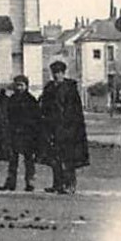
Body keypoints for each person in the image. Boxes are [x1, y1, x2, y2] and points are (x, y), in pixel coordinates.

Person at [39, 60, 89, 194]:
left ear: (63, 73)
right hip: (52, 127)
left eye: (59, 73)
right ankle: (57, 184)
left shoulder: (70, 89)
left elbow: (75, 110)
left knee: (69, 158)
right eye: (54, 73)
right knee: (54, 158)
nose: (56, 75)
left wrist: (71, 127)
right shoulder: (49, 88)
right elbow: (44, 107)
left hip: (68, 128)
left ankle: (70, 184)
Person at [1, 74, 41, 192]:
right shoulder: (11, 99)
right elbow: (6, 114)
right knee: (12, 159)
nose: (19, 88)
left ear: (26, 86)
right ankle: (11, 182)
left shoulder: (31, 100)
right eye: (17, 85)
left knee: (29, 160)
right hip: (13, 133)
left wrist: (34, 134)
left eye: (21, 85)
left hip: (27, 134)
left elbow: (36, 118)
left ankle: (30, 182)